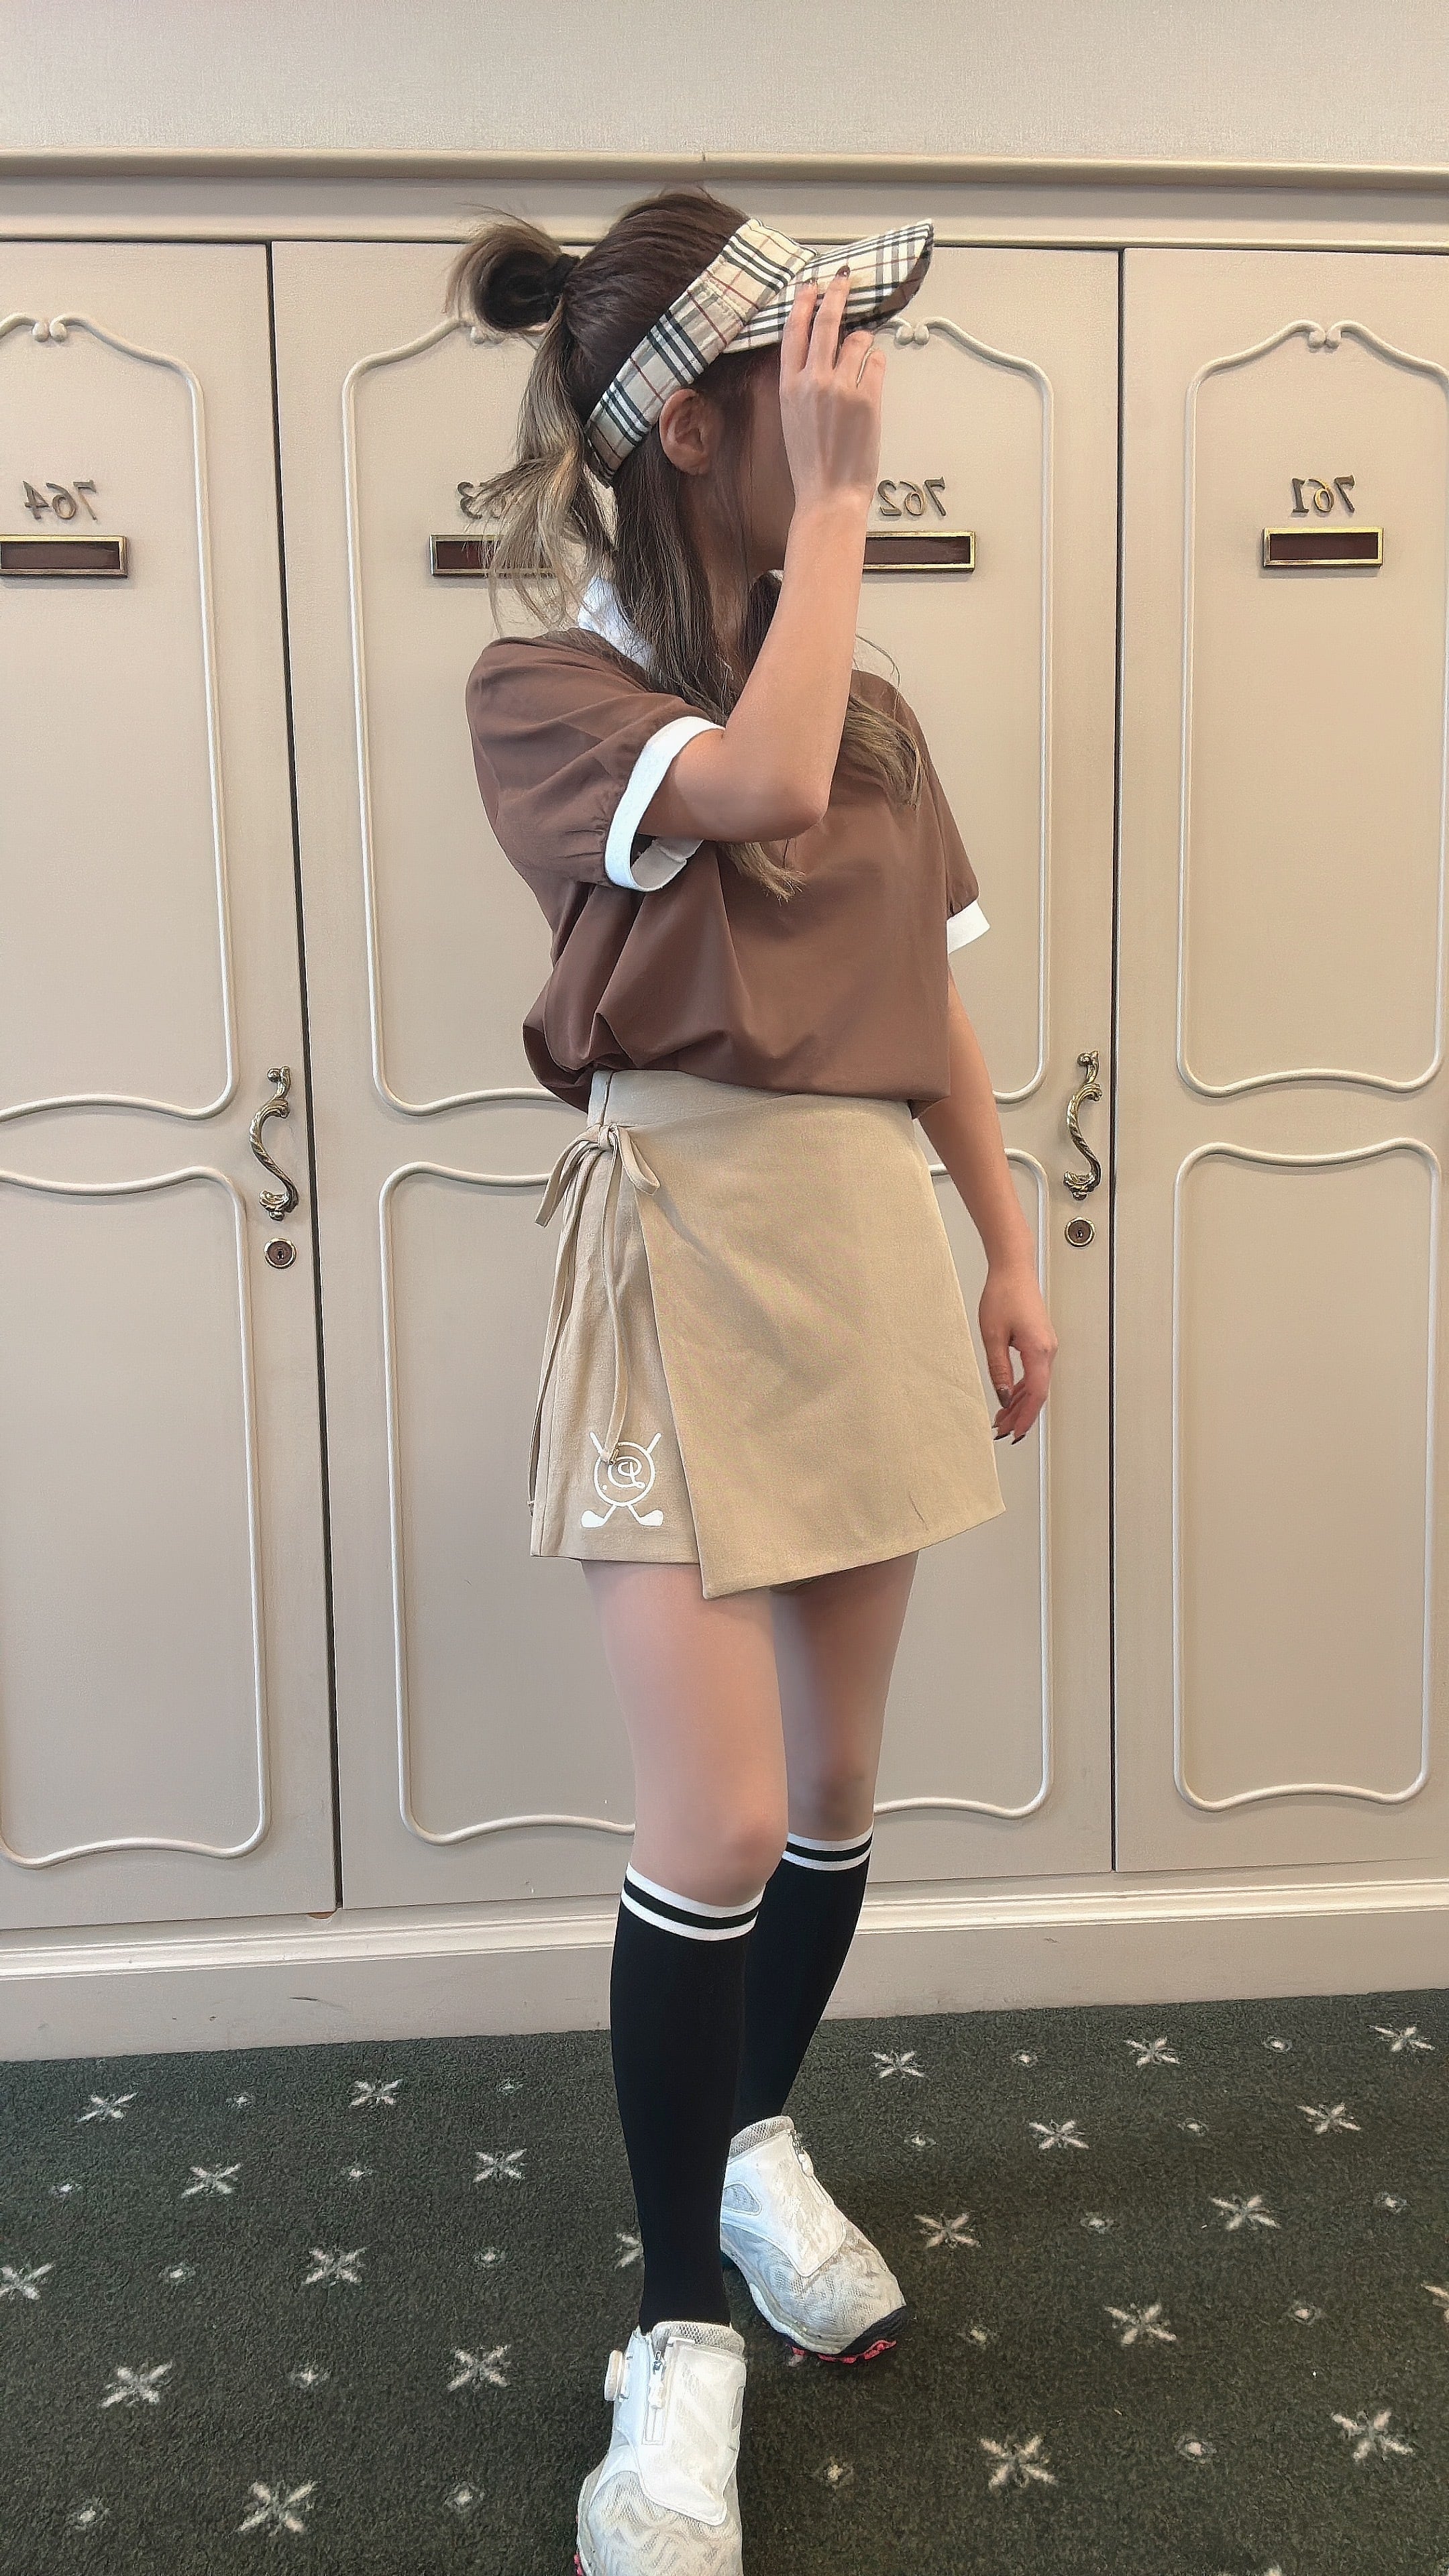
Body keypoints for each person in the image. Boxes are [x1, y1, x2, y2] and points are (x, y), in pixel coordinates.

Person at [452, 189, 1058, 2576]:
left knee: (831, 1789)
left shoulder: (872, 702)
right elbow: (767, 787)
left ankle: (751, 2135)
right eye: (805, 378)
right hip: (680, 1250)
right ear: (691, 431)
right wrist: (845, 513)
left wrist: (1011, 1248)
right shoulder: (549, 694)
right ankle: (675, 2337)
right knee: (703, 1824)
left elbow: (934, 1003)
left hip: (862, 1246)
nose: (854, 405)